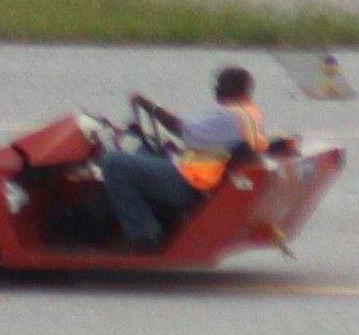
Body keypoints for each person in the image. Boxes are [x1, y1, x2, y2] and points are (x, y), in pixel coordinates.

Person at [101, 68, 266, 249]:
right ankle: (139, 220)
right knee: (145, 150)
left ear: (235, 88)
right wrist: (172, 151)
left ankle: (143, 234)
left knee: (114, 162)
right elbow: (208, 143)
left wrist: (149, 105)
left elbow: (181, 128)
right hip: (197, 173)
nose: (217, 90)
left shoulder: (231, 116)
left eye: (221, 86)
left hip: (192, 183)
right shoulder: (248, 112)